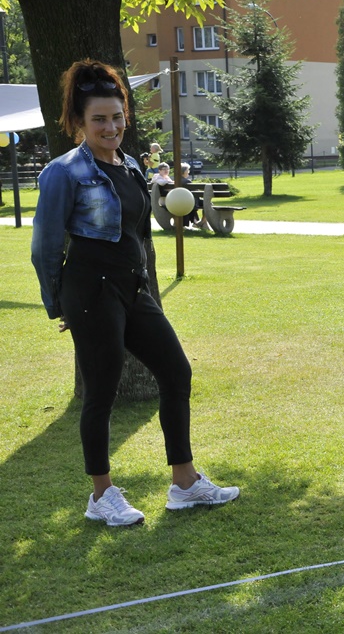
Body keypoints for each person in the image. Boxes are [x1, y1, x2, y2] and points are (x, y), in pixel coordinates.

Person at [29, 59, 239, 527]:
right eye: (99, 119)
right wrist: (59, 303)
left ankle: (184, 484)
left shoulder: (129, 167)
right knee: (102, 390)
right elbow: (45, 247)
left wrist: (140, 281)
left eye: (117, 117)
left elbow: (135, 234)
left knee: (176, 371)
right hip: (90, 290)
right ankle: (101, 495)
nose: (111, 127)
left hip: (131, 287)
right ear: (79, 122)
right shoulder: (64, 172)